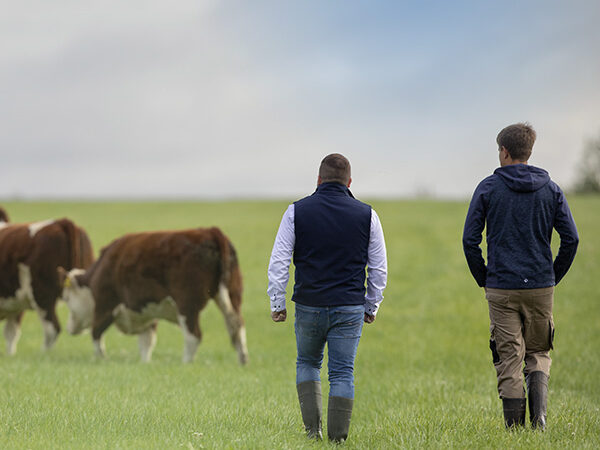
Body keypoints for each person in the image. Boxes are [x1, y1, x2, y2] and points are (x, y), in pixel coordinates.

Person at [463, 123, 579, 430]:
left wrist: (483, 277)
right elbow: (572, 239)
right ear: (529, 151)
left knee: (509, 356)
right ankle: (538, 421)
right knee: (538, 351)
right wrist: (552, 275)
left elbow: (469, 240)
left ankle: (514, 430)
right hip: (541, 285)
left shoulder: (488, 187)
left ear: (504, 151)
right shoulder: (551, 189)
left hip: (501, 286)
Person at [267, 153, 387, 442]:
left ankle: (312, 432)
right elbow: (379, 267)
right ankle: (338, 440)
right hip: (350, 307)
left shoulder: (296, 211)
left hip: (309, 305)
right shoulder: (367, 214)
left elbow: (279, 260)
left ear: (318, 179)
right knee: (342, 373)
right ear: (349, 182)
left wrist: (277, 302)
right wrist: (372, 304)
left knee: (307, 363)